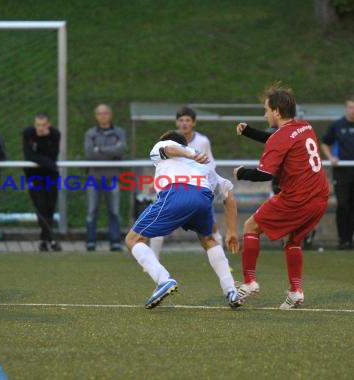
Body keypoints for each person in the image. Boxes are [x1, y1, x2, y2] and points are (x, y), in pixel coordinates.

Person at [234, 86, 329, 309]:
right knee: (293, 240)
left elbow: (266, 173)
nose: (265, 114)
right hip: (320, 197)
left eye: (266, 110)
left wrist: (241, 173)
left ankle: (249, 282)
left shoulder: (281, 137)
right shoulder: (304, 127)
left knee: (251, 227)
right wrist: (249, 132)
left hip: (297, 198)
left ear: (276, 111)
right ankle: (296, 291)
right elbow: (279, 139)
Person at [125, 131, 243, 309]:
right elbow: (229, 199)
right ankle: (231, 290)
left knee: (133, 239)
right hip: (203, 199)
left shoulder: (163, 146)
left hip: (176, 193)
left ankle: (163, 280)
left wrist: (190, 153)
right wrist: (232, 231)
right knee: (209, 240)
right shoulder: (206, 167)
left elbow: (170, 148)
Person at [150, 106, 220, 255]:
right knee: (158, 225)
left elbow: (210, 163)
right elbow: (162, 163)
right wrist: (155, 181)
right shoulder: (169, 141)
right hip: (172, 189)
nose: (184, 123)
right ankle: (152, 259)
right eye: (181, 120)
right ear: (176, 123)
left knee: (211, 228)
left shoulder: (202, 141)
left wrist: (212, 182)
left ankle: (224, 264)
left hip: (198, 188)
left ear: (193, 123)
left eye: (188, 120)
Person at [84, 104, 126, 252]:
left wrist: (99, 149)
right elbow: (90, 154)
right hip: (94, 177)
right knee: (92, 211)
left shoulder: (118, 132)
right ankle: (90, 242)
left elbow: (121, 149)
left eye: (106, 113)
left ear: (111, 114)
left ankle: (115, 242)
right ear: (96, 116)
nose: (103, 116)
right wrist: (111, 151)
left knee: (114, 211)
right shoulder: (91, 133)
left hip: (112, 177)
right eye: (100, 113)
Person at [22, 112, 62, 252]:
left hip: (51, 175)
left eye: (43, 125)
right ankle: (51, 239)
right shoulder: (28, 133)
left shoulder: (55, 134)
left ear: (48, 125)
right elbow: (29, 155)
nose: (40, 128)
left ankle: (44, 240)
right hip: (34, 176)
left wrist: (48, 163)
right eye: (38, 125)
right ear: (34, 125)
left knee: (50, 208)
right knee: (41, 207)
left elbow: (52, 154)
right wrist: (49, 164)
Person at [320, 95, 354, 250]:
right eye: (350, 107)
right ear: (346, 108)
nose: (352, 110)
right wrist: (331, 157)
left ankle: (351, 239)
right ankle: (343, 239)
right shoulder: (337, 125)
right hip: (342, 172)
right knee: (343, 205)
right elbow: (325, 143)